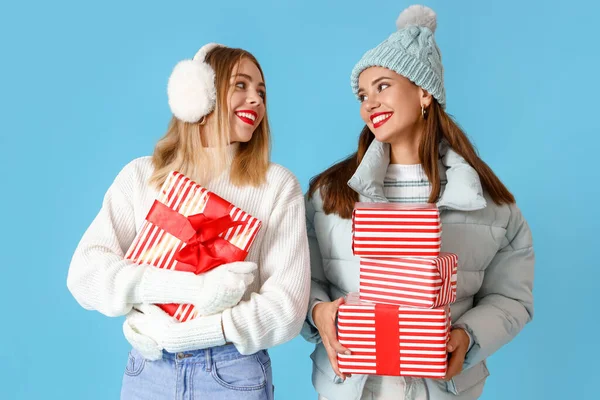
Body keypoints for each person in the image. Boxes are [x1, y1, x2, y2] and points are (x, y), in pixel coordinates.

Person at [301, 5, 534, 400]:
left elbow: (511, 297)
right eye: (363, 94)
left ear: (424, 91)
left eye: (383, 86)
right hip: (351, 386)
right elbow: (303, 278)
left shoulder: (488, 203)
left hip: (441, 389)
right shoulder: (330, 194)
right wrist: (317, 312)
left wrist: (468, 335)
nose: (369, 103)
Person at [67, 43, 310, 400]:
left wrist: (190, 334)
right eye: (240, 85)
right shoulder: (143, 177)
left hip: (231, 372)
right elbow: (85, 274)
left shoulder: (277, 186)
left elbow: (286, 308)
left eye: (261, 92)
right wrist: (191, 291)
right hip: (149, 369)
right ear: (199, 94)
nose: (256, 100)